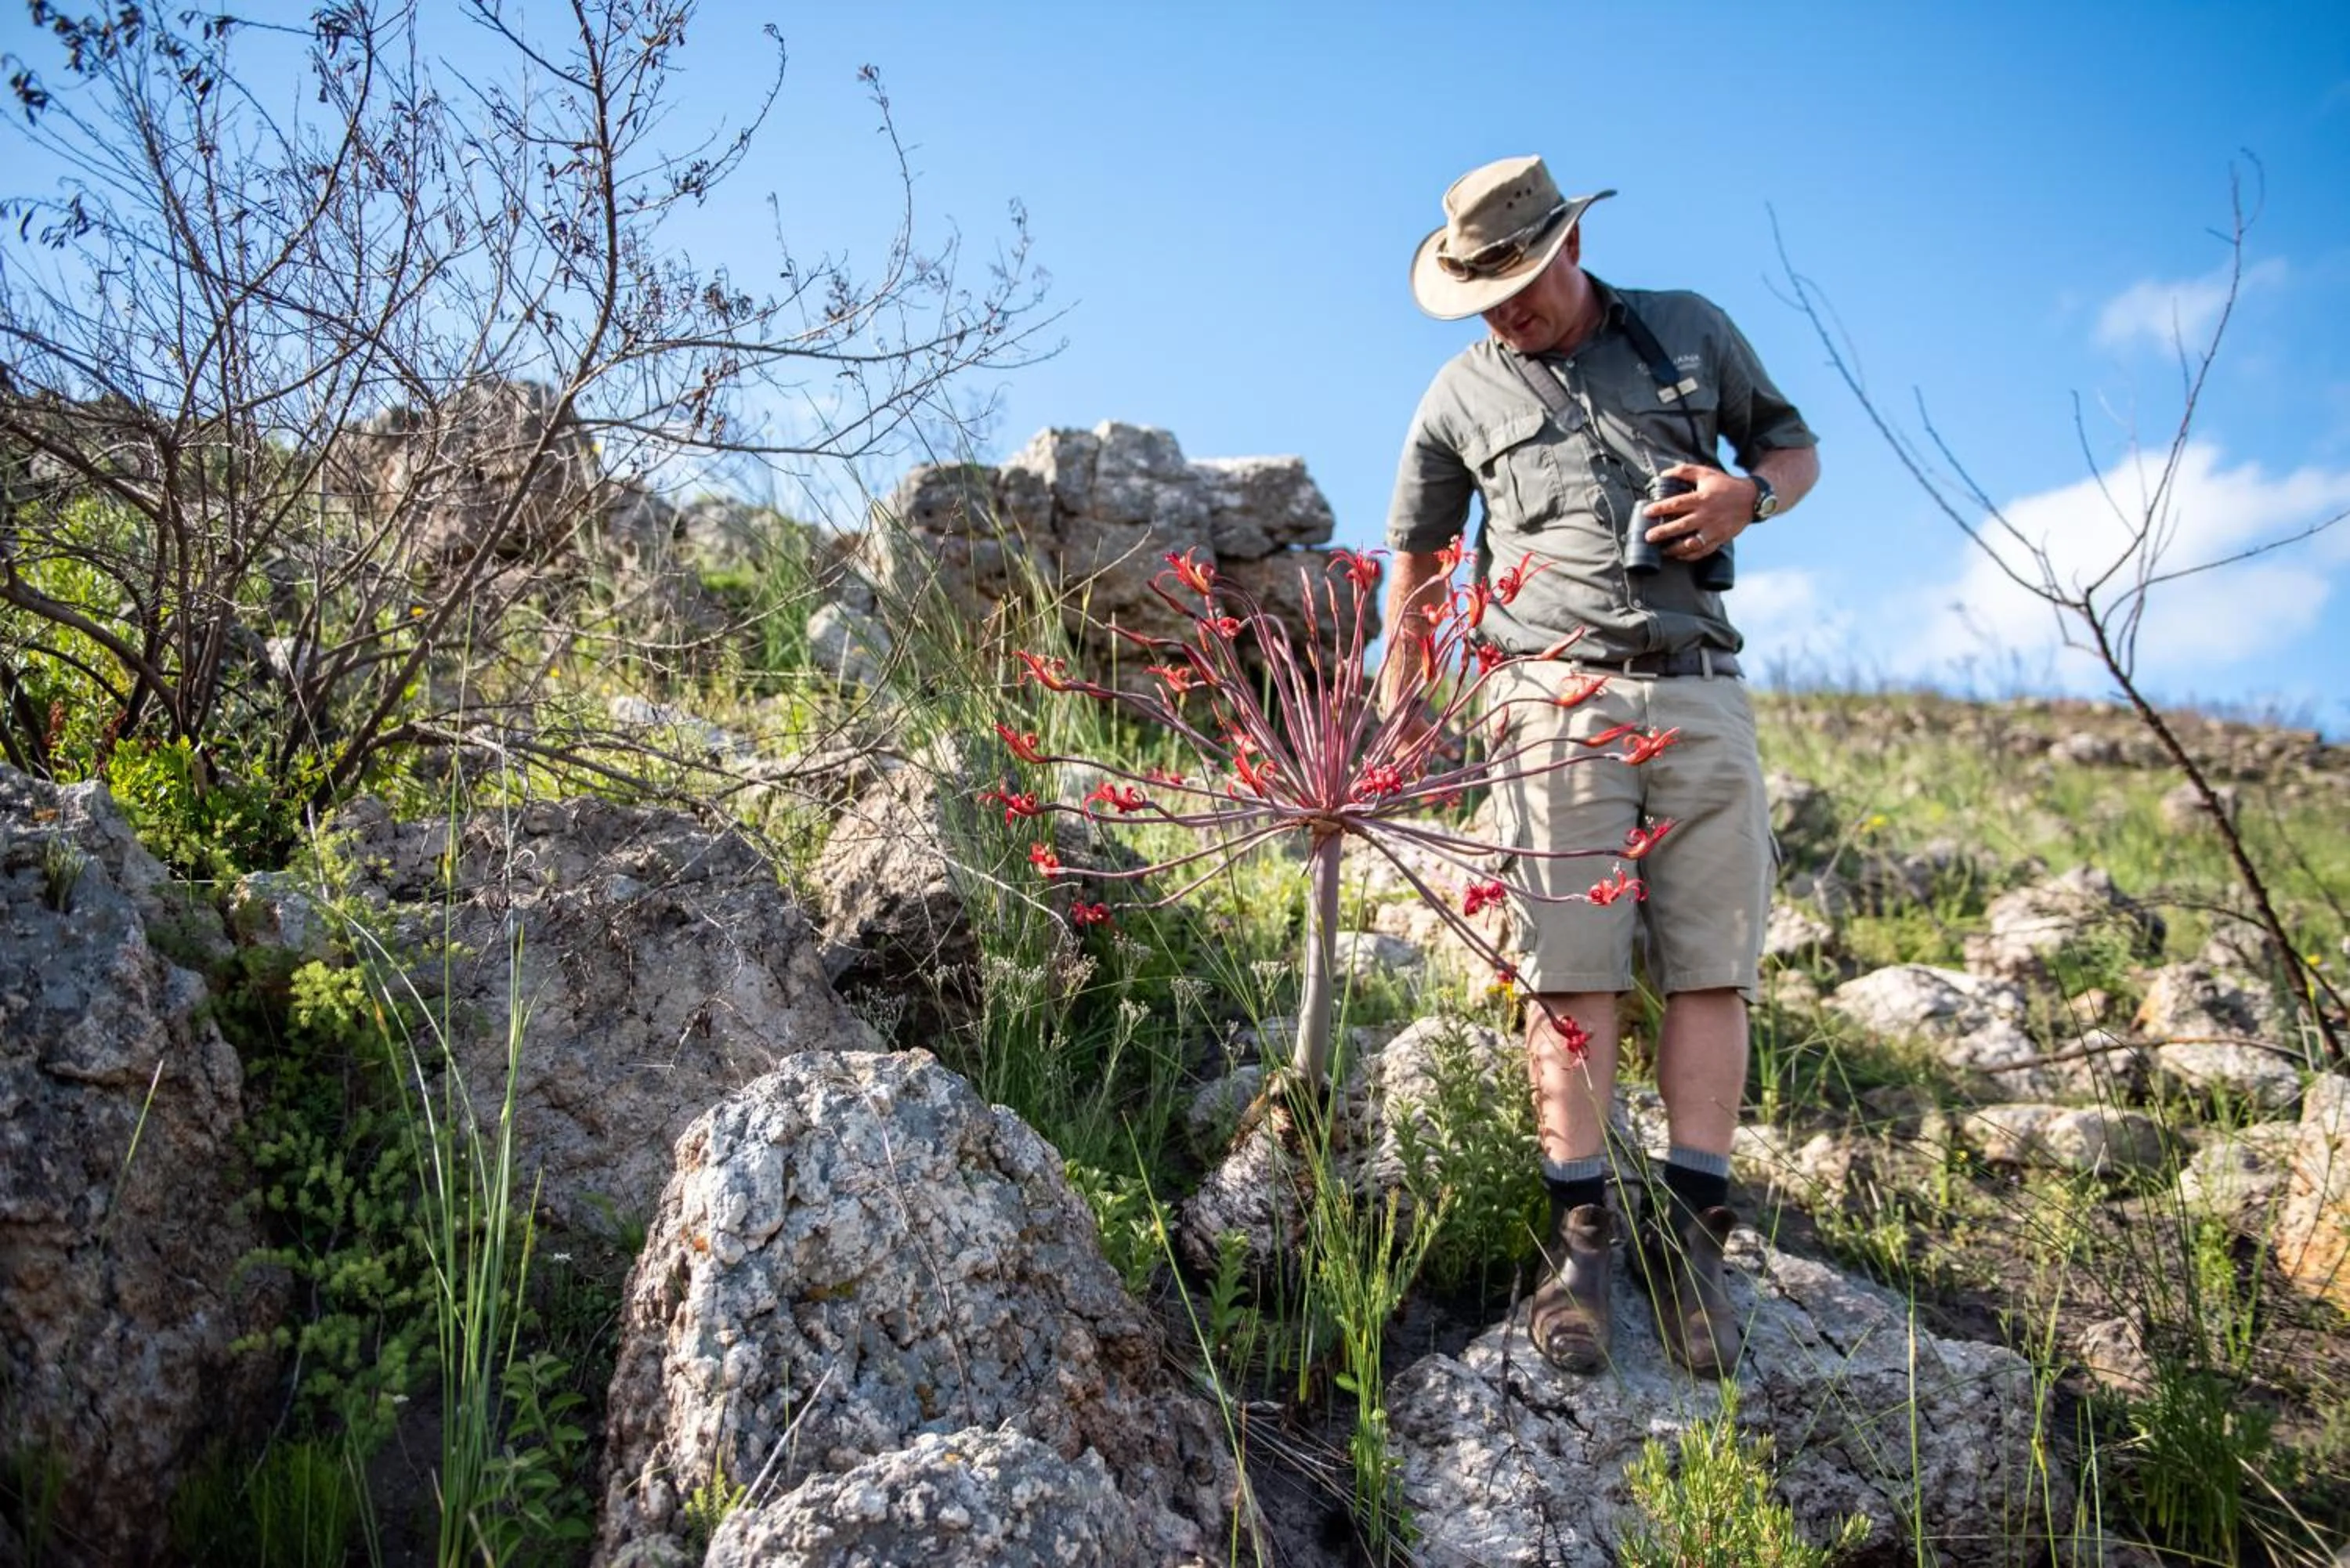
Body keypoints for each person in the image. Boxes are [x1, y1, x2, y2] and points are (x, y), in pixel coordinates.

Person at [1380, 155, 1820, 1378]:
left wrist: (1747, 500)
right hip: (1548, 699)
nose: (1505, 310)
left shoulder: (1690, 329)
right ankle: (1580, 1255)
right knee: (1570, 974)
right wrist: (1402, 698)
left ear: (1569, 248)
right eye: (1483, 291)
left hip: (1699, 690)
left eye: (1520, 280)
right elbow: (1414, 555)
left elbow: (1793, 449)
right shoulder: (1458, 394)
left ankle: (1695, 1248)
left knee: (1711, 964)